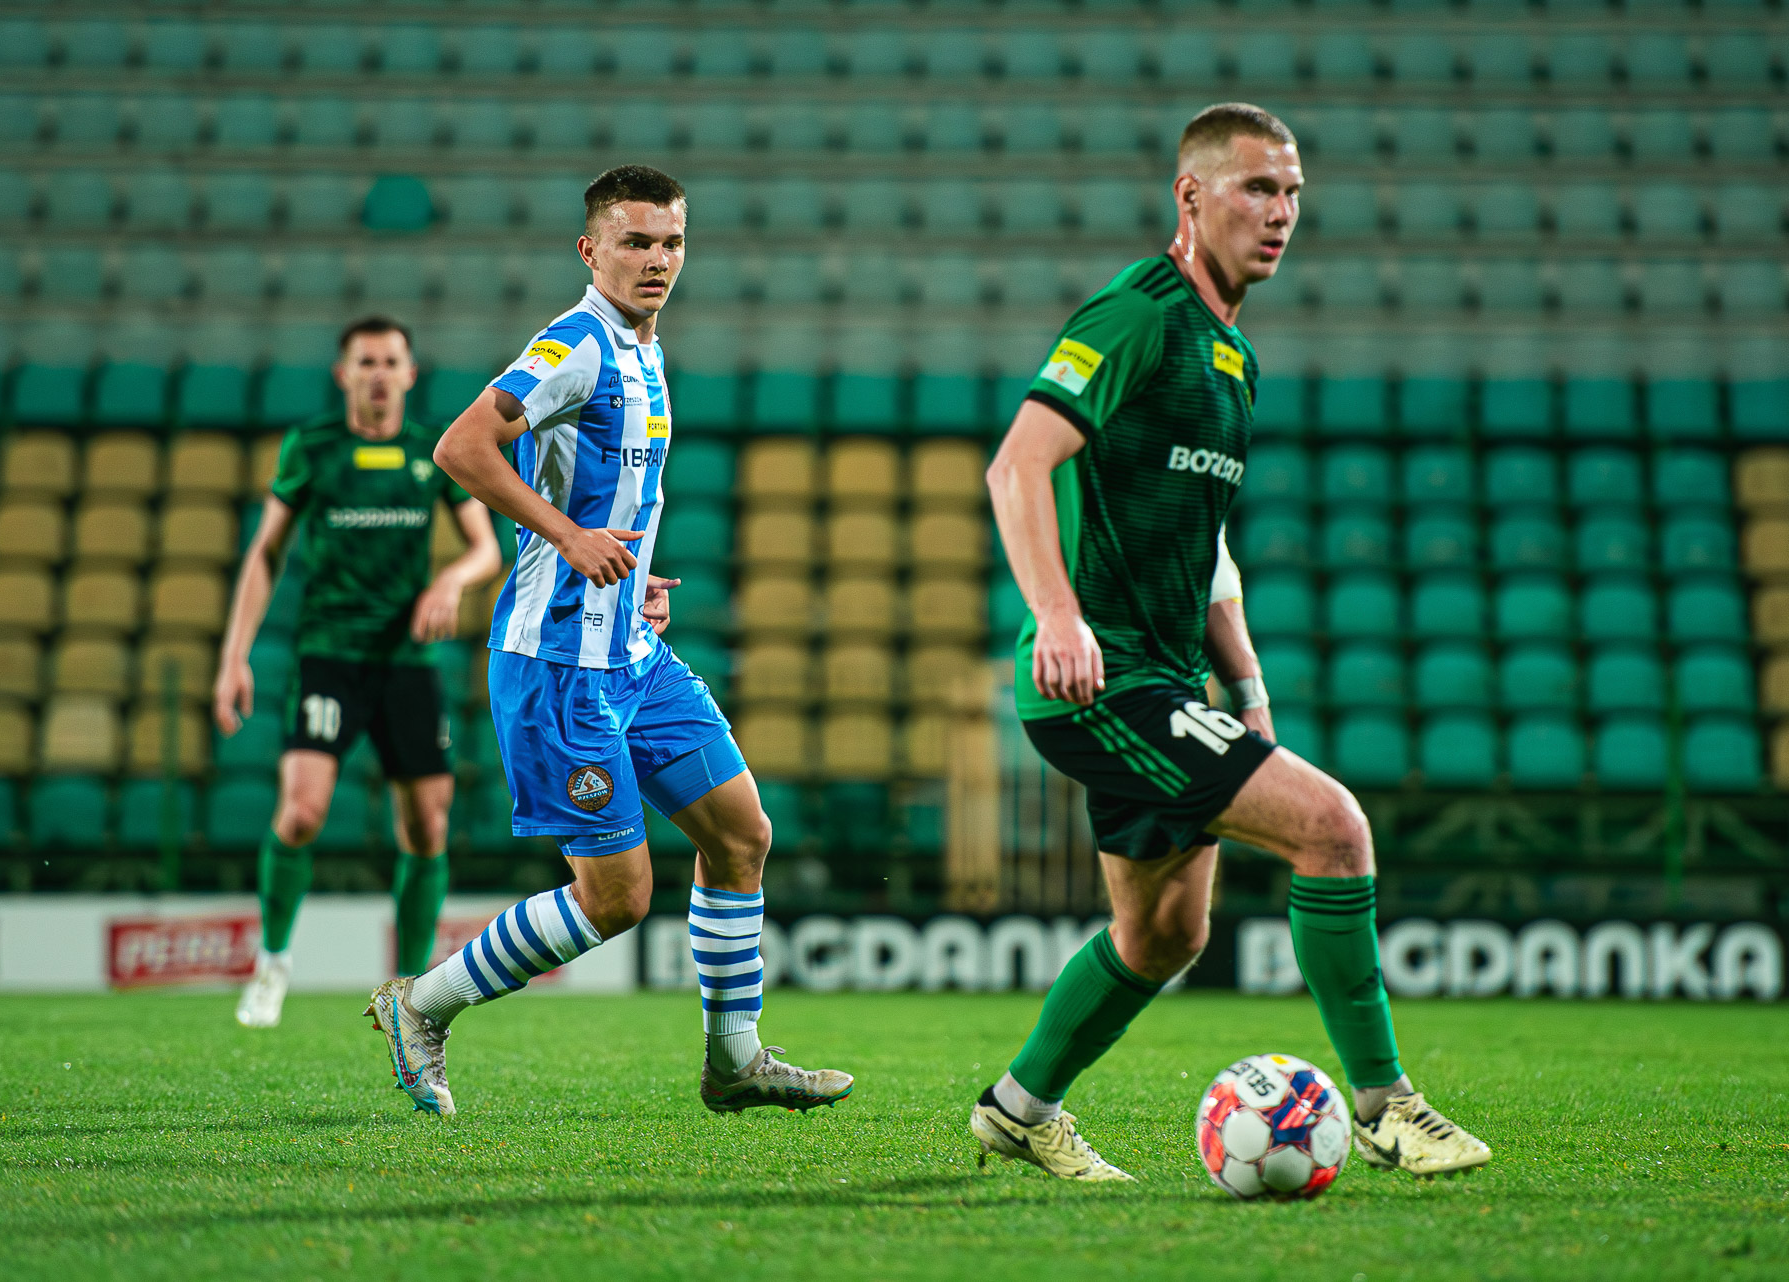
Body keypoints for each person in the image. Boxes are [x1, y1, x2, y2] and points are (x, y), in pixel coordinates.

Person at [969, 104, 1490, 1181]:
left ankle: (1018, 1110)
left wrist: (1245, 683)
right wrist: (1058, 615)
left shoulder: (1235, 358)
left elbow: (1205, 547)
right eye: (1257, 187)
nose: (1280, 212)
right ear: (1191, 195)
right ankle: (1388, 1106)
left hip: (1167, 679)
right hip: (1101, 682)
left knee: (1165, 935)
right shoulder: (1137, 315)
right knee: (1334, 830)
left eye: (1292, 192)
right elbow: (1017, 464)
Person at [361, 165, 853, 1118]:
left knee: (741, 835)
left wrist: (635, 578)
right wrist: (569, 539)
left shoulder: (644, 349)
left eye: (671, 242)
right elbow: (460, 447)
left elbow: (610, 495)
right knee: (618, 898)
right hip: (559, 666)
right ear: (591, 250)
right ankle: (421, 1005)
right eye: (635, 242)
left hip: (632, 653)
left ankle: (736, 1060)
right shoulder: (577, 344)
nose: (657, 260)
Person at [217, 317, 503, 1029]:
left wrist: (450, 581)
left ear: (410, 374)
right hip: (329, 655)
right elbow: (265, 553)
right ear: (343, 374)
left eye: (390, 361)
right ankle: (272, 963)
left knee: (427, 828)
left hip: (407, 661)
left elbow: (485, 550)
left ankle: (408, 994)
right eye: (365, 362)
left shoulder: (430, 451)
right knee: (301, 812)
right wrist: (234, 657)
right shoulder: (312, 447)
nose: (378, 374)